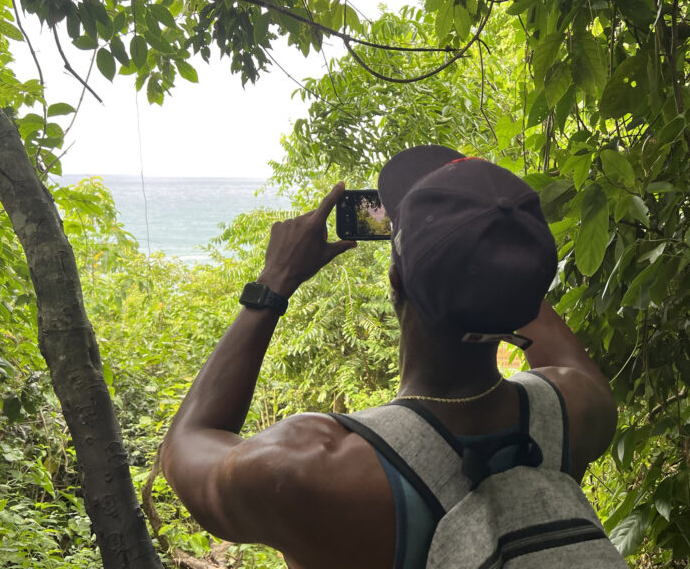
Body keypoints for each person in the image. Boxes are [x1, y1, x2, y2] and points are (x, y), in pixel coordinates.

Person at [161, 145, 618, 568]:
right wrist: (493, 239)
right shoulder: (578, 410)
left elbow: (186, 443)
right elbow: (524, 296)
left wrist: (274, 281)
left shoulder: (309, 468)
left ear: (395, 282)